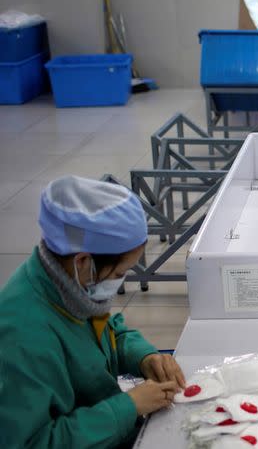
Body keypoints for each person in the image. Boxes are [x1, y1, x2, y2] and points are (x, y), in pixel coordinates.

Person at [0, 176, 186, 447]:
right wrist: (128, 407)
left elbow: (105, 332)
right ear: (84, 261)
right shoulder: (24, 337)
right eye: (120, 272)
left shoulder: (67, 285)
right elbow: (30, 443)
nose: (120, 280)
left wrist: (143, 357)